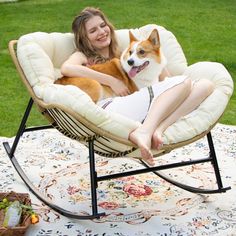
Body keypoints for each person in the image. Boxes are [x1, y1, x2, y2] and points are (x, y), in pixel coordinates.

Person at [61, 7, 214, 166]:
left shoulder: (126, 54)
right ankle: (145, 131)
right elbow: (67, 68)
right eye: (93, 30)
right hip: (108, 108)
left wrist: (156, 61)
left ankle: (159, 128)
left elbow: (167, 79)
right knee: (185, 83)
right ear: (84, 38)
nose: (101, 32)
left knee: (206, 85)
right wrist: (111, 80)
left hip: (138, 105)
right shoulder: (84, 56)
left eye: (102, 25)